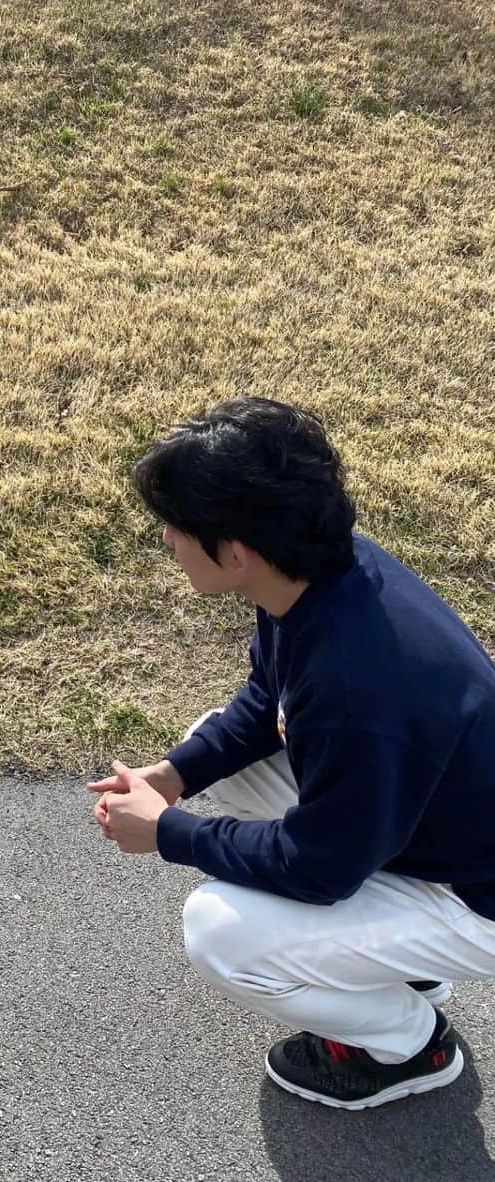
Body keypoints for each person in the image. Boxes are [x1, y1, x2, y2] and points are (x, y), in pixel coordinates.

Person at [89, 396, 495, 1109]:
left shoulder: (353, 687)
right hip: (429, 827)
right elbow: (265, 700)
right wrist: (175, 774)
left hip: (476, 903)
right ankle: (400, 965)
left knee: (219, 933)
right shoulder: (323, 572)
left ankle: (408, 1046)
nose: (166, 539)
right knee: (215, 737)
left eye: (176, 528)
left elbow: (319, 869)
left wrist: (168, 833)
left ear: (235, 552)